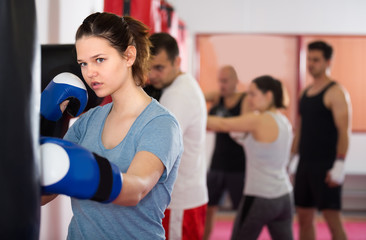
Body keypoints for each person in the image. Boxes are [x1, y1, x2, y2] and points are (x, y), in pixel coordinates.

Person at [41, 12, 183, 240]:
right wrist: (41, 126)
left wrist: (85, 172)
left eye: (99, 59)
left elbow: (136, 189)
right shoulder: (87, 122)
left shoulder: (160, 124)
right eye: (83, 63)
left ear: (128, 56)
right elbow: (44, 194)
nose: (89, 72)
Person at [207, 75, 294, 240]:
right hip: (284, 196)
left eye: (253, 94)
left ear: (268, 96)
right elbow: (239, 131)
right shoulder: (284, 121)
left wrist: (189, 116)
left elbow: (222, 124)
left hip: (260, 197)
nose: (249, 99)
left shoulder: (259, 120)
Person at [148, 32, 208, 240]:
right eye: (148, 66)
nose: (152, 74)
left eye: (159, 68)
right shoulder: (182, 84)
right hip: (186, 196)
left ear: (177, 62)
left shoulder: (177, 95)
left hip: (180, 201)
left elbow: (159, 148)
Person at [291, 40, 351, 240]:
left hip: (326, 166)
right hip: (305, 165)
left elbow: (344, 131)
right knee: (304, 219)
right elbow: (300, 129)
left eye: (316, 60)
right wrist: (290, 159)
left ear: (328, 62)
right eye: (308, 59)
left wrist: (340, 164)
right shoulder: (305, 93)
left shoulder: (336, 92)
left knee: (333, 220)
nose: (311, 64)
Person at [203, 65, 248, 240]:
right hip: (217, 162)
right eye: (219, 81)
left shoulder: (244, 99)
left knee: (241, 210)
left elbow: (243, 126)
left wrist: (218, 123)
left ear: (236, 81)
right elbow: (195, 98)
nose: (222, 85)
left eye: (225, 81)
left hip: (238, 164)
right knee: (209, 207)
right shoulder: (217, 98)